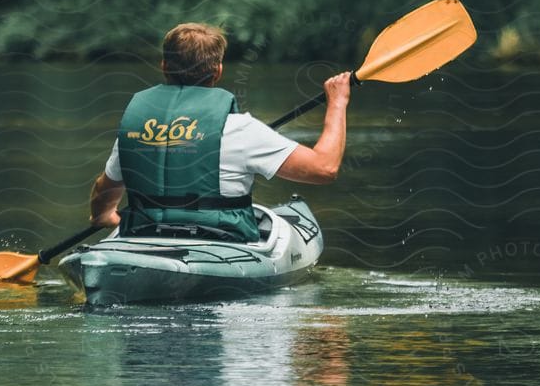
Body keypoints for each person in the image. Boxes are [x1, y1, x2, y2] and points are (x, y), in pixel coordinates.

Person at [88, 21, 351, 239]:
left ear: (164, 66)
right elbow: (324, 168)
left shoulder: (139, 125)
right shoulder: (241, 129)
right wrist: (337, 103)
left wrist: (103, 214)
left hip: (146, 234)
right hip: (219, 239)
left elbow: (105, 189)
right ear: (218, 71)